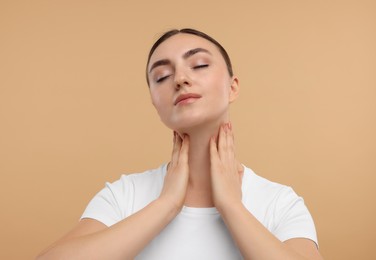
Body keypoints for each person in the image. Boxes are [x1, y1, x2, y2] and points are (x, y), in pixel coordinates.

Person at [37, 28, 323, 260]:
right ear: (154, 102)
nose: (181, 79)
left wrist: (231, 206)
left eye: (199, 65)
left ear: (233, 86)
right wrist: (167, 204)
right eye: (162, 76)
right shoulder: (124, 194)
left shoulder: (279, 202)